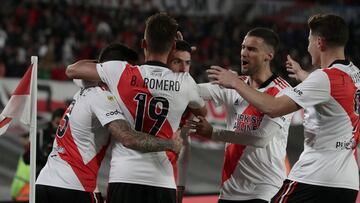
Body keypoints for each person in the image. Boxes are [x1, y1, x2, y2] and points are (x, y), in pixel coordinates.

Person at [207, 14, 359, 203]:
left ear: (320, 42)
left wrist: (235, 83)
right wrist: (303, 75)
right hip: (348, 181)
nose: (308, 47)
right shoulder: (354, 75)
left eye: (309, 41)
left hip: (315, 175)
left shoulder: (323, 78)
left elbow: (273, 107)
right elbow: (333, 93)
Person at [66, 12, 207, 203]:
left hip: (123, 178)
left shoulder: (120, 70)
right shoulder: (185, 82)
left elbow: (72, 70)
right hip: (162, 181)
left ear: (143, 44)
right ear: (172, 46)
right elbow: (202, 111)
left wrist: (108, 65)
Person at [35, 43, 183, 203]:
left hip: (44, 182)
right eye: (130, 70)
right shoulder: (103, 96)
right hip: (75, 186)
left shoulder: (84, 84)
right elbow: (128, 138)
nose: (133, 78)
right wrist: (169, 144)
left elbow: (72, 68)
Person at [186, 27, 293, 203]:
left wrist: (213, 133)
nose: (244, 53)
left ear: (269, 56)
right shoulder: (233, 85)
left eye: (252, 49)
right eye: (243, 47)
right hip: (230, 188)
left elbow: (260, 139)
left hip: (266, 189)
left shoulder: (283, 93)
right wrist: (182, 61)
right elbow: (192, 91)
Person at [167, 39, 193, 203]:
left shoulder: (190, 87)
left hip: (178, 149)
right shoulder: (148, 84)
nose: (184, 68)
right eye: (177, 62)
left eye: (188, 63)